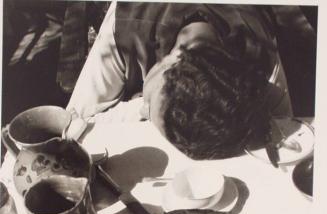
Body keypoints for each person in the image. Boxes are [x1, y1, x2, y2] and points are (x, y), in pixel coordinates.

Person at [67, 1, 292, 159]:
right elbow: (74, 126)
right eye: (148, 103)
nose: (144, 107)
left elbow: (283, 129)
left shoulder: (260, 54)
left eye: (147, 103)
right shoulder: (124, 26)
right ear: (171, 59)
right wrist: (140, 110)